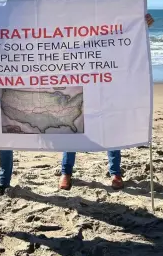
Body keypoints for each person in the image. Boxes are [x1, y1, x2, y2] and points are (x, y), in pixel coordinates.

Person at [59, 13, 155, 191]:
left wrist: (140, 27)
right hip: (79, 89)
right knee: (71, 128)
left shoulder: (107, 38)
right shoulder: (72, 38)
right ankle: (66, 172)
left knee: (112, 129)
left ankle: (115, 172)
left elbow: (125, 44)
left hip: (106, 89)